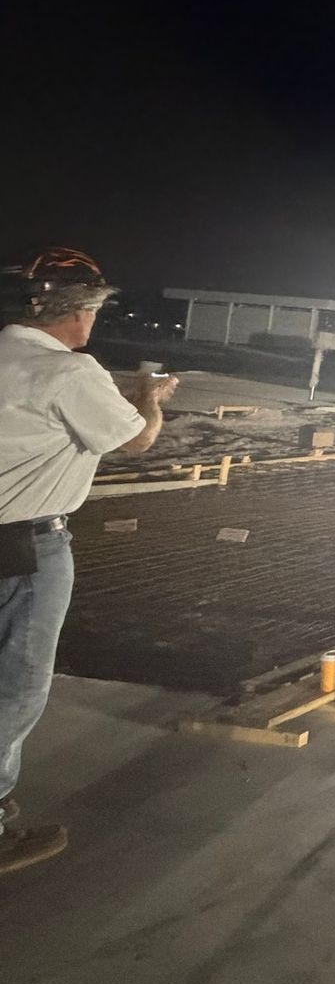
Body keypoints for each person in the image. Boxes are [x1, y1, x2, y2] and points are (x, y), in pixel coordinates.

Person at [0, 247, 176, 875]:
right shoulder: (72, 373)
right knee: (17, 687)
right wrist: (148, 398)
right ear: (84, 314)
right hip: (27, 548)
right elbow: (137, 440)